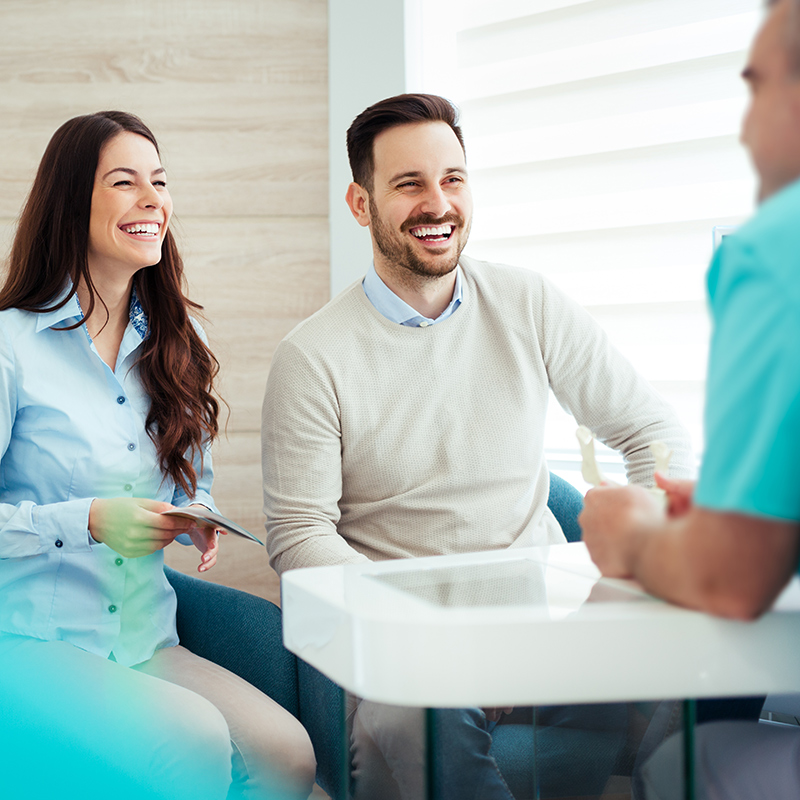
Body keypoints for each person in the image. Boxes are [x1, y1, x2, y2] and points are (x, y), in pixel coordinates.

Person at [262, 93, 694, 799]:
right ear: (361, 204)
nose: (438, 204)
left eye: (453, 179)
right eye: (409, 184)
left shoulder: (528, 303)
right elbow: (300, 536)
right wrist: (435, 643)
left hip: (546, 639)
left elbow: (652, 434)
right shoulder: (311, 357)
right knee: (412, 718)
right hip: (412, 653)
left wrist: (631, 562)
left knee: (708, 640)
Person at [0, 111, 315, 800]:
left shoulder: (178, 342)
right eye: (124, 182)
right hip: (28, 643)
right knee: (190, 742)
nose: (152, 200)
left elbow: (191, 482)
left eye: (160, 181)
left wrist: (193, 515)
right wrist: (88, 519)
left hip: (144, 640)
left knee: (286, 755)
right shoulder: (11, 347)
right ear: (70, 201)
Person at [579, 1, 800, 797]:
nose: (744, 131)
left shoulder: (776, 252)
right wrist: (748, 498)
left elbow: (732, 580)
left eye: (757, 87)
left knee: (681, 758)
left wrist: (631, 536)